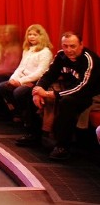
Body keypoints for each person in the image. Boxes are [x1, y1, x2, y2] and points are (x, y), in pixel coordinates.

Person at [16, 31, 100, 160]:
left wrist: (52, 94)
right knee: (29, 91)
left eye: (72, 46)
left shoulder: (89, 59)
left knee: (67, 102)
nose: (68, 50)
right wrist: (38, 90)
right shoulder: (61, 55)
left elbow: (83, 87)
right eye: (65, 46)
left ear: (81, 45)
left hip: (90, 94)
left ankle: (62, 146)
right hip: (69, 88)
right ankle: (33, 134)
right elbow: (48, 74)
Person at [0, 24, 53, 124]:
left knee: (19, 92)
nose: (31, 37)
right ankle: (18, 113)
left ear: (41, 36)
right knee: (2, 86)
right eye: (29, 34)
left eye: (34, 35)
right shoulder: (27, 50)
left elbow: (40, 72)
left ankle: (28, 116)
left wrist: (20, 81)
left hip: (35, 81)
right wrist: (13, 79)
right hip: (22, 79)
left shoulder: (45, 52)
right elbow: (21, 67)